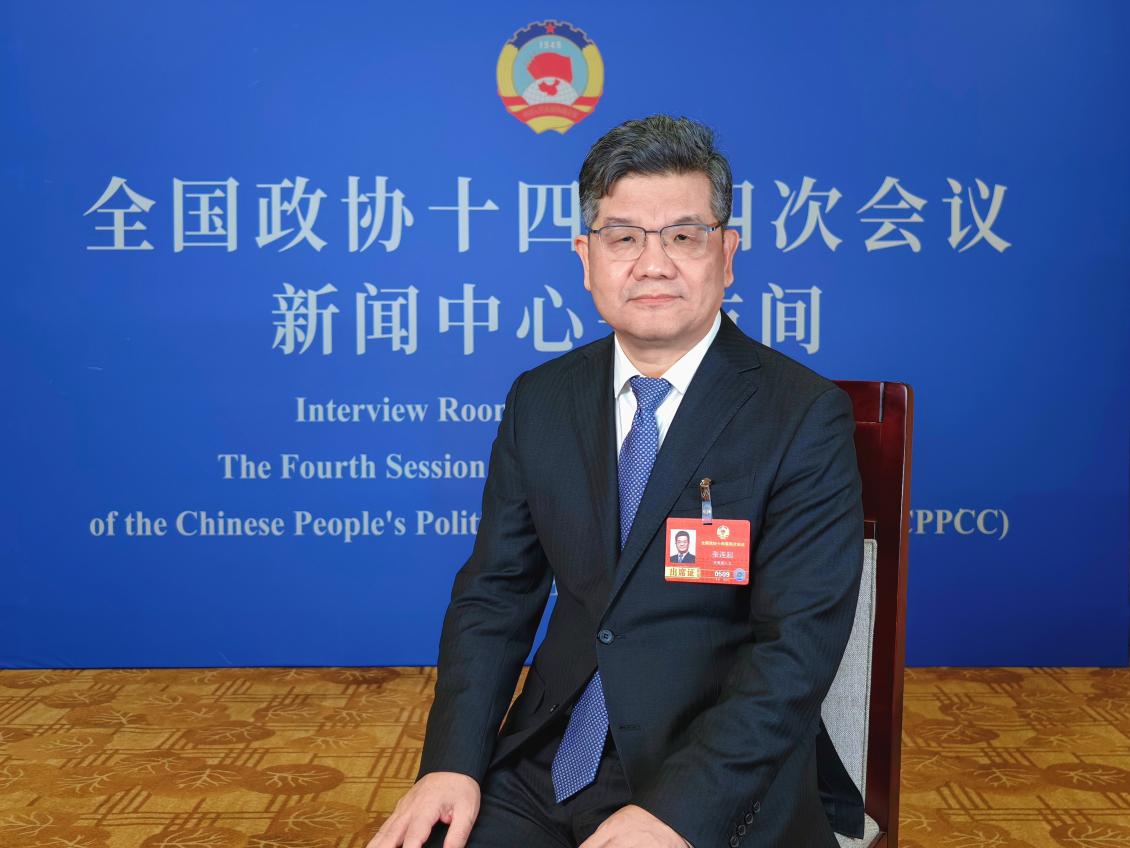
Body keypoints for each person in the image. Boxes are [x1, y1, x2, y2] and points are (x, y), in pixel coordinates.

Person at [369, 115, 864, 848]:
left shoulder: (801, 414)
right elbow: (494, 597)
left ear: (727, 254)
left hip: (712, 780)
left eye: (683, 236)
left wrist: (677, 812)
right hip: (550, 759)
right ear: (586, 257)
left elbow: (795, 651)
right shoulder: (541, 400)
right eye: (624, 237)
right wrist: (451, 763)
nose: (652, 264)